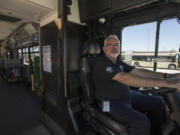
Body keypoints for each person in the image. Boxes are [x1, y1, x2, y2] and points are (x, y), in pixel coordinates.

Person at [93, 34, 180, 135]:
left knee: (158, 102)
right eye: (110, 44)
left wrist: (168, 76)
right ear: (104, 49)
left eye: (117, 44)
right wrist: (169, 83)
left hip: (127, 95)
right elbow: (125, 78)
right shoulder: (101, 63)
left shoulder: (119, 63)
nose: (114, 47)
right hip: (109, 102)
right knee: (141, 123)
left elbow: (139, 72)